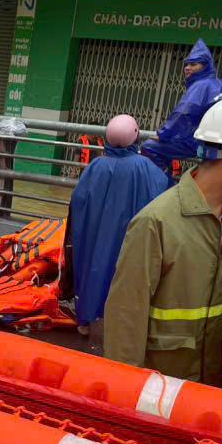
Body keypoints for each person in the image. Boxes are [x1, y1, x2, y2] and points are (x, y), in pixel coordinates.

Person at [104, 96, 222, 388]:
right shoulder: (157, 222)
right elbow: (126, 317)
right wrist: (127, 389)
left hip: (212, 380)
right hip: (161, 384)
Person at [69, 114, 169, 337]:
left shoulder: (96, 166)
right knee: (125, 275)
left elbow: (78, 201)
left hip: (96, 236)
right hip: (129, 238)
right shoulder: (146, 168)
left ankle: (85, 320)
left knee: (92, 271)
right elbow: (162, 195)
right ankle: (121, 327)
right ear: (135, 137)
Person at [140, 40, 222, 175]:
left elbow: (184, 113)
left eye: (193, 64)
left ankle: (164, 186)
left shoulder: (201, 85)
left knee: (149, 147)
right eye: (186, 64)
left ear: (205, 66)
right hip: (221, 144)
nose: (187, 68)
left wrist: (164, 134)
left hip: (200, 142)